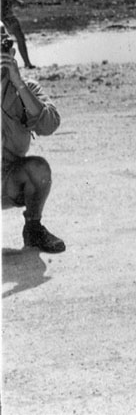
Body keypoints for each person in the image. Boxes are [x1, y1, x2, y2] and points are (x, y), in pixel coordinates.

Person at [2, 22, 64, 253]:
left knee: (38, 169)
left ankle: (33, 228)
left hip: (7, 180)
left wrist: (18, 83)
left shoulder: (26, 88)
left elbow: (49, 125)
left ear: (11, 52)